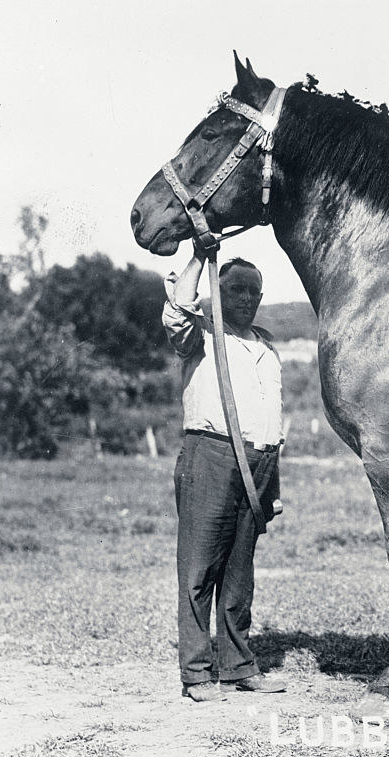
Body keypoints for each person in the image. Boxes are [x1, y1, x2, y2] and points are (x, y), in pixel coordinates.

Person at [163, 242, 286, 702]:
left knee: (239, 574)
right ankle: (196, 674)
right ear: (217, 291)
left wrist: (272, 485)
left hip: (259, 464)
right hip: (211, 456)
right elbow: (178, 310)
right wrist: (198, 257)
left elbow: (272, 418)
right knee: (199, 570)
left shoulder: (266, 344)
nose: (247, 298)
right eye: (237, 289)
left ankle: (237, 666)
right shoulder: (202, 335)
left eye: (255, 290)